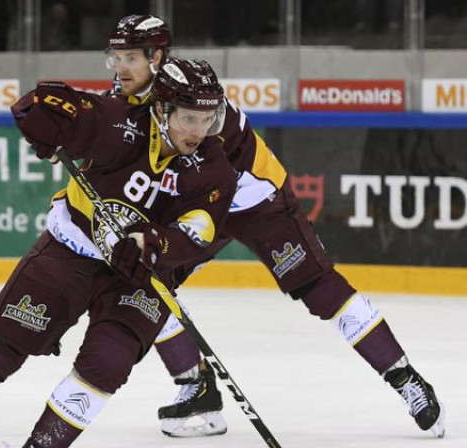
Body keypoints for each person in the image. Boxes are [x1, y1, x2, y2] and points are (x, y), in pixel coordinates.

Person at [105, 13, 445, 439]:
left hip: (255, 200)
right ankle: (197, 388)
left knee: (319, 288)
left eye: (130, 58)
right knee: (143, 279)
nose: (120, 68)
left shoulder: (195, 92)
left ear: (156, 58)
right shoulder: (123, 98)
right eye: (116, 57)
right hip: (200, 204)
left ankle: (405, 378)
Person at [0, 58, 238, 448]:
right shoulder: (120, 122)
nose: (199, 131)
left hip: (142, 276)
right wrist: (43, 118)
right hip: (70, 251)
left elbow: (197, 234)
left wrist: (152, 244)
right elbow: (48, 104)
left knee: (106, 364)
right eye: (189, 119)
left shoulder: (214, 171)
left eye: (208, 120)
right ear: (160, 108)